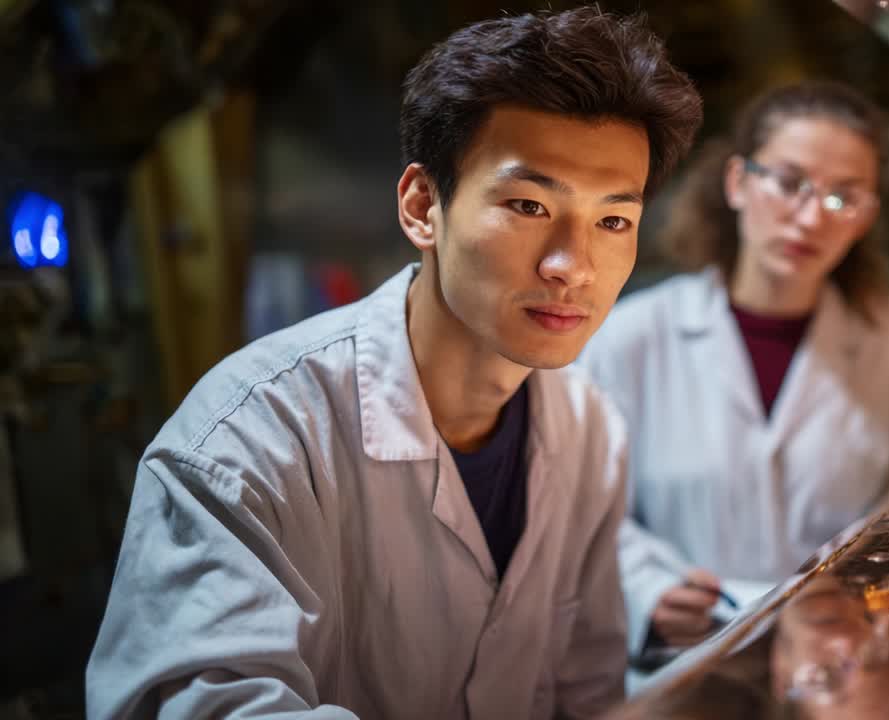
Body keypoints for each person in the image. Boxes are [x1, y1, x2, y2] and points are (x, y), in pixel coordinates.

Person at [85, 8, 701, 719]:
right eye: (529, 205)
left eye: (613, 221)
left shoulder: (590, 428)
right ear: (421, 206)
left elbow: (587, 693)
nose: (573, 266)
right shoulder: (248, 444)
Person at [577, 81, 889, 657]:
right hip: (687, 661)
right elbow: (582, 511)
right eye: (788, 182)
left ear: (866, 216)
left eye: (842, 198)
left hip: (844, 659)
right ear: (738, 182)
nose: (809, 218)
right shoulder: (629, 336)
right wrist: (648, 593)